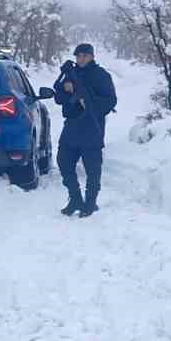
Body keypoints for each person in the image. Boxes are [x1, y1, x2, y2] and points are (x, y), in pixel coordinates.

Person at [53, 43, 117, 217]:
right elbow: (58, 98)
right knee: (63, 161)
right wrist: (67, 91)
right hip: (72, 125)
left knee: (93, 169)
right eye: (78, 56)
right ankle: (75, 199)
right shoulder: (70, 74)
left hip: (92, 127)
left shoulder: (101, 75)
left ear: (91, 56)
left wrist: (89, 104)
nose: (80, 59)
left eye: (84, 55)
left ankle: (90, 203)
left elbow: (110, 101)